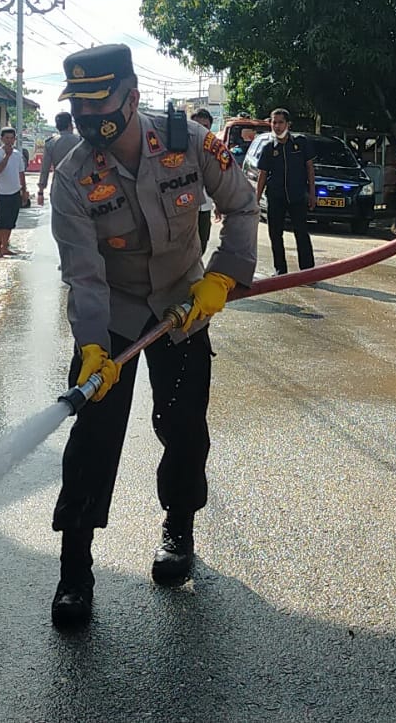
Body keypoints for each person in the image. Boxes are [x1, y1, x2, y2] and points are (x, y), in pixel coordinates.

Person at [47, 44, 258, 628]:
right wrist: (93, 345)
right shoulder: (71, 177)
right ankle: (75, 568)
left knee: (185, 425)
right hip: (111, 313)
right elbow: (82, 273)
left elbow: (242, 205)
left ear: (132, 98)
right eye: (79, 107)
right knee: (93, 435)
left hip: (182, 304)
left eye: (100, 104)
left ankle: (178, 528)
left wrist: (225, 275)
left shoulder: (188, 140)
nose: (90, 119)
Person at [253, 107, 316, 275]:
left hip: (297, 196)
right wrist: (256, 200)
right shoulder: (268, 148)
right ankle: (280, 270)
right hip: (276, 197)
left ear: (288, 124)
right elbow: (262, 175)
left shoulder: (300, 143)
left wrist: (312, 193)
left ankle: (308, 271)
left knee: (301, 233)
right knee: (275, 234)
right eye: (274, 122)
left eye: (281, 122)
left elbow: (309, 168)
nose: (277, 126)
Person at [0, 126, 29, 257]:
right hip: (1, 192)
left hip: (15, 191)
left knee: (11, 221)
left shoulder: (18, 155)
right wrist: (6, 156)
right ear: (1, 139)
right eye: (7, 138)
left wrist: (24, 190)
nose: (9, 141)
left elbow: (21, 173)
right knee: (0, 221)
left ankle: (5, 246)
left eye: (12, 138)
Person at [190, 108, 220, 252]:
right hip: (184, 209)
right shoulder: (179, 150)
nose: (201, 131)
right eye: (197, 126)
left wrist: (219, 204)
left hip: (205, 207)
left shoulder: (215, 151)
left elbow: (218, 180)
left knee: (202, 244)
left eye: (205, 127)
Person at [37, 111, 82, 206]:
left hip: (59, 187)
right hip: (80, 187)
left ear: (57, 126)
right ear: (71, 124)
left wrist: (41, 192)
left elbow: (45, 169)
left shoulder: (50, 143)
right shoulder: (81, 142)